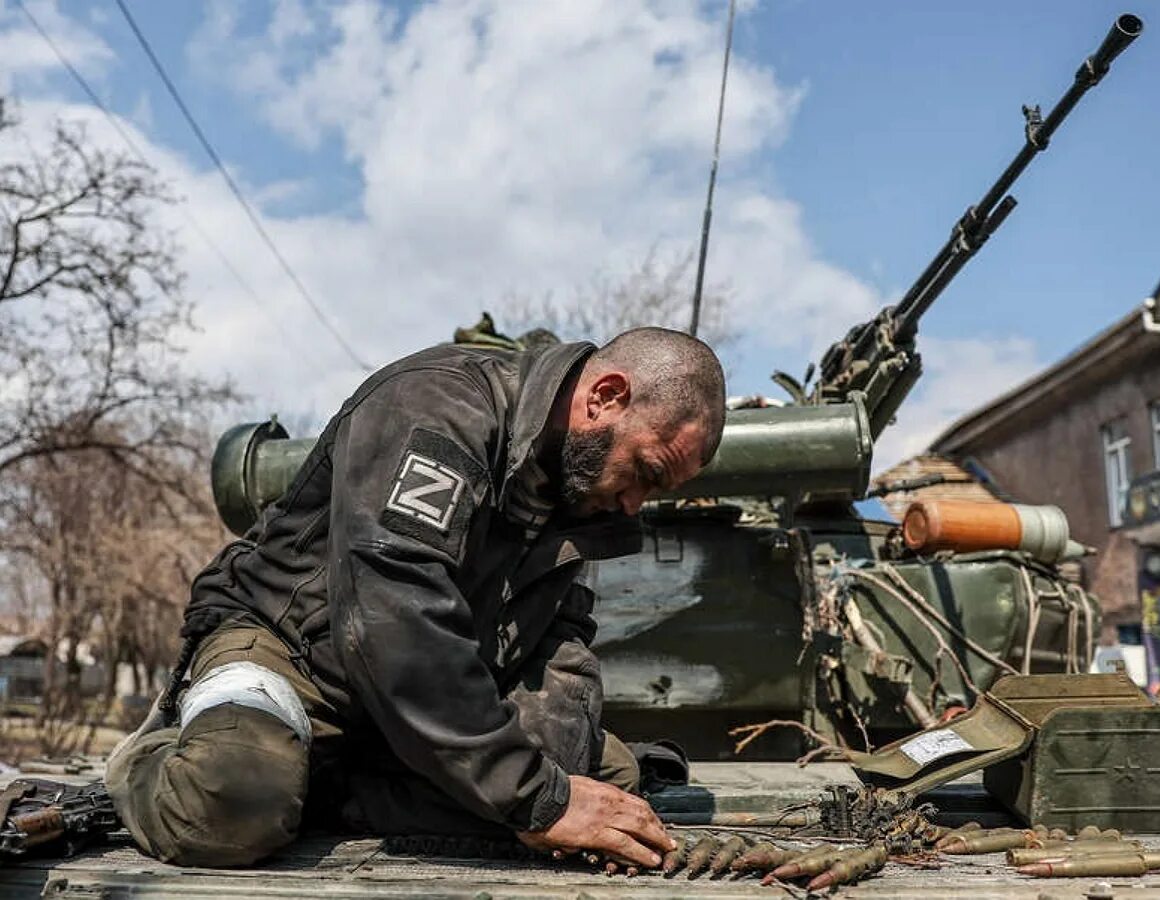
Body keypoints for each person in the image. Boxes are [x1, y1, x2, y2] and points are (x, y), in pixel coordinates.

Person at [99, 326, 727, 868]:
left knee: (605, 783)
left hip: (418, 685)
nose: (635, 505)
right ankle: (168, 750)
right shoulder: (438, 406)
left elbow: (558, 634)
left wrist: (556, 776)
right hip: (294, 654)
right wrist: (537, 796)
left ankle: (336, 776)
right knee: (233, 801)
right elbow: (395, 616)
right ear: (606, 396)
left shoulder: (578, 482)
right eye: (647, 473)